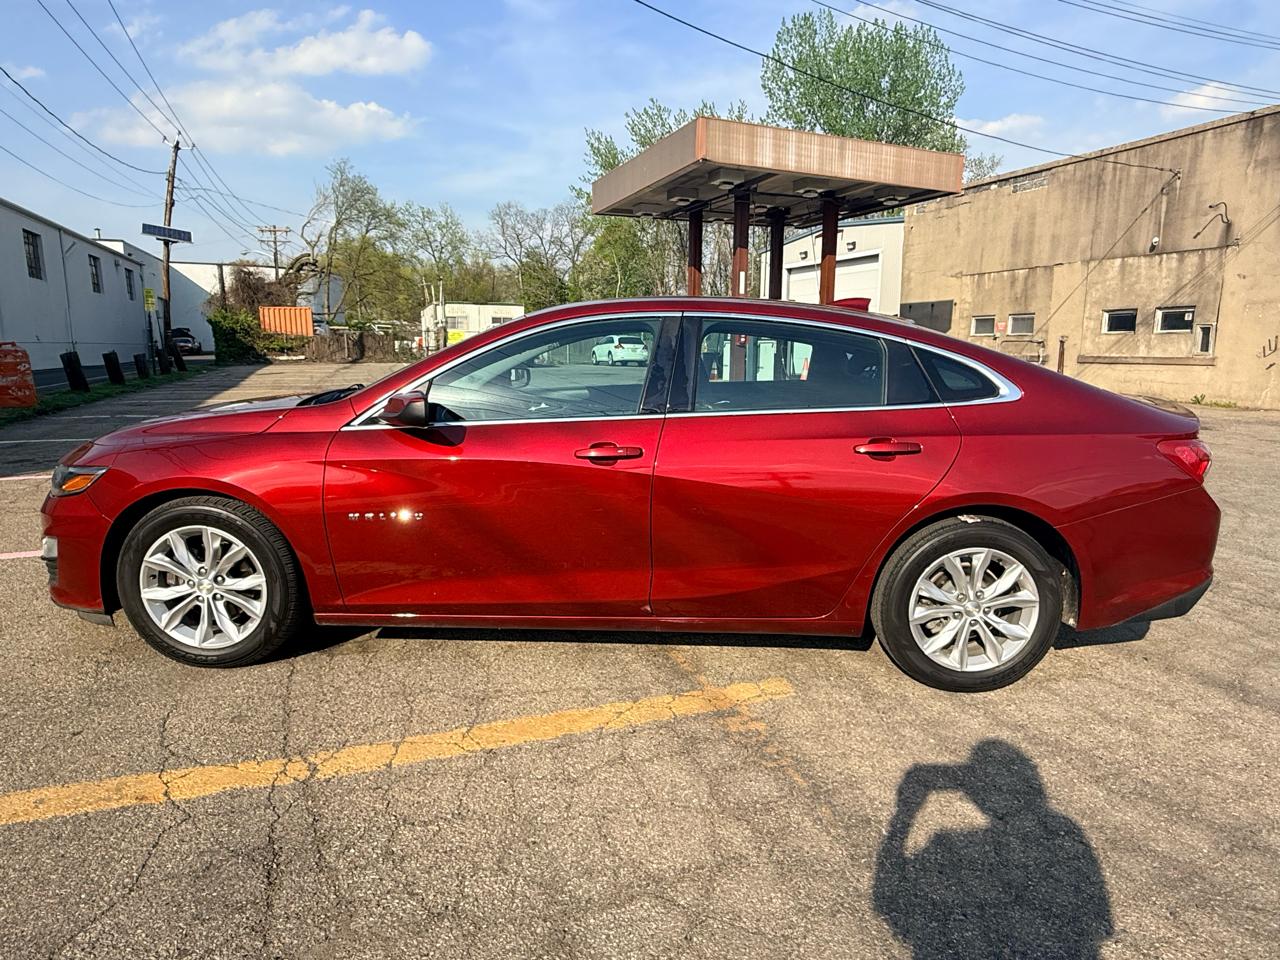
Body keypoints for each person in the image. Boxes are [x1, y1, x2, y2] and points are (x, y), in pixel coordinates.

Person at [873, 740, 1113, 959]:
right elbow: (1099, 923)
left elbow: (888, 900)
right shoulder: (1065, 834)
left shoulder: (950, 850)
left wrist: (904, 815)